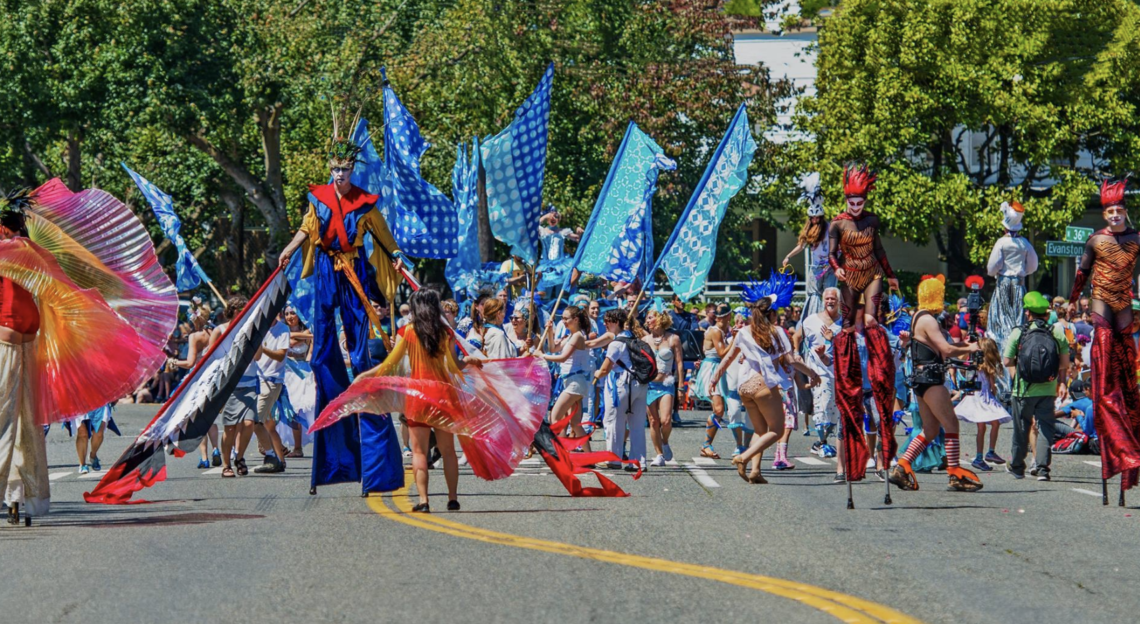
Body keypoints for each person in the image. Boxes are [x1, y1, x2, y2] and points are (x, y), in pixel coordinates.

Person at [277, 120, 407, 492]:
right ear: (330, 170)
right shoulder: (318, 199)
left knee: (360, 347)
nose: (340, 175)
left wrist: (397, 257)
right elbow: (306, 229)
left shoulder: (365, 202)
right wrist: (288, 251)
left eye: (345, 170)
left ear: (352, 170)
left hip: (355, 269)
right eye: (335, 169)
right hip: (326, 267)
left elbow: (385, 238)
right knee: (323, 352)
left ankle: (363, 379)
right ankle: (329, 376)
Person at [827, 165, 899, 482]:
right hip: (849, 275)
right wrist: (837, 269)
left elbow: (880, 249)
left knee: (871, 319)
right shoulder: (837, 224)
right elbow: (831, 255)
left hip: (871, 273)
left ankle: (878, 360)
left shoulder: (872, 221)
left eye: (860, 201)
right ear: (846, 199)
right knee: (847, 325)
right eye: (851, 201)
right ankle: (850, 363)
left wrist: (892, 272)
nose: (856, 206)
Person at [1068, 178, 1140, 490]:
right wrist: (1072, 300)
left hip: (1124, 300)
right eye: (1110, 211)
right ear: (1105, 215)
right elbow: (1083, 273)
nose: (1114, 215)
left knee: (1126, 362)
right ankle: (1107, 386)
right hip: (1101, 299)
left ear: (1125, 213)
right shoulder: (1096, 241)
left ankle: (1124, 399)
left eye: (1119, 210)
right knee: (1106, 344)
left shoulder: (1137, 238)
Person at [708, 295, 819, 484]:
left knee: (760, 431)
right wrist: (813, 374)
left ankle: (755, 472)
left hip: (744, 387)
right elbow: (791, 360)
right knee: (776, 430)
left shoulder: (743, 331)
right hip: (763, 385)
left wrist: (714, 379)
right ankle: (744, 456)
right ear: (773, 314)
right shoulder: (777, 332)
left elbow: (727, 358)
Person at [888, 276, 984, 492]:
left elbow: (943, 349)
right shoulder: (928, 320)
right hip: (931, 380)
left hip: (922, 380)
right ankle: (954, 473)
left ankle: (903, 465)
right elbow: (946, 349)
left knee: (930, 430)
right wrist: (971, 348)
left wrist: (963, 347)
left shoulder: (918, 317)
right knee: (951, 424)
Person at [1003, 291, 1069, 481]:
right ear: (1046, 314)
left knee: (1021, 427)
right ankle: (1042, 469)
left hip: (1023, 389)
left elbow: (1007, 361)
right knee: (1045, 427)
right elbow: (1065, 364)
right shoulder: (1056, 332)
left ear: (1028, 313)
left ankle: (1017, 466)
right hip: (1048, 388)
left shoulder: (1019, 332)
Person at [592, 309, 648, 470]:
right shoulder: (635, 339)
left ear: (616, 322)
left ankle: (613, 458)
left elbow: (604, 369)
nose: (604, 324)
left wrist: (596, 373)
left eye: (607, 321)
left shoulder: (616, 343)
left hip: (622, 384)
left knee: (613, 421)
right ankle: (638, 461)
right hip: (640, 384)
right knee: (636, 425)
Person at [986, 201, 1038, 368]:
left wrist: (1000, 270)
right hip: (1018, 285)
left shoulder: (1001, 242)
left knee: (1000, 324)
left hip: (1003, 286)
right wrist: (1021, 270)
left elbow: (991, 268)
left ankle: (1002, 361)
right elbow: (1033, 266)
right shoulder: (1025, 244)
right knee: (1018, 322)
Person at [171, 309, 222, 468]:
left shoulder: (195, 336)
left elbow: (190, 363)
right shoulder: (216, 332)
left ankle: (204, 458)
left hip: (199, 381)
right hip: (214, 378)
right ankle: (216, 450)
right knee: (210, 418)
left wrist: (174, 362)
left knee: (199, 419)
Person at [953, 337, 1011, 472]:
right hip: (983, 399)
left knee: (983, 427)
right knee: (992, 424)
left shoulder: (974, 364)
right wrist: (994, 389)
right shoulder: (987, 367)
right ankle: (986, 453)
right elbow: (992, 386)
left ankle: (983, 455)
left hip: (977, 398)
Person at [783, 172, 835, 322]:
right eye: (812, 218)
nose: (815, 220)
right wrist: (788, 256)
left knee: (830, 292)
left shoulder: (830, 228)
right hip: (816, 267)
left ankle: (830, 318)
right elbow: (801, 246)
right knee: (814, 294)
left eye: (817, 218)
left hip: (829, 266)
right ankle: (813, 318)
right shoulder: (809, 231)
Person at [540, 305, 594, 449]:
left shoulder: (577, 336)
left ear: (575, 319)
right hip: (573, 381)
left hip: (575, 382)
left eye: (565, 318)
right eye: (562, 318)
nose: (563, 321)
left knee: (555, 417)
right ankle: (588, 457)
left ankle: (561, 453)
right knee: (575, 424)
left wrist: (542, 356)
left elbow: (562, 358)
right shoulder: (571, 335)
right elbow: (554, 349)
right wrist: (550, 331)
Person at [800, 288, 841, 459]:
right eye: (827, 299)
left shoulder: (844, 322)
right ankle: (822, 442)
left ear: (839, 301)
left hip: (839, 372)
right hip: (818, 371)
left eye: (833, 298)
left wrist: (834, 340)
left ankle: (820, 441)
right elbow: (798, 338)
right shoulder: (810, 321)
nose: (830, 301)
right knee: (822, 405)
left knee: (836, 410)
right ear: (823, 301)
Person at [251, 314, 291, 474]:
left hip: (272, 381)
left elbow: (281, 355)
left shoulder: (283, 329)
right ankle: (280, 460)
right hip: (256, 379)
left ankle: (271, 457)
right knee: (268, 425)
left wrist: (262, 348)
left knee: (254, 420)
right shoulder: (257, 328)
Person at [643, 310, 683, 467]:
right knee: (653, 421)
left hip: (666, 384)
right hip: (649, 384)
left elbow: (679, 363)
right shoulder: (645, 340)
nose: (648, 320)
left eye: (651, 317)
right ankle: (659, 454)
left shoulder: (673, 339)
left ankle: (664, 441)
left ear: (659, 319)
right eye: (647, 318)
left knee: (666, 421)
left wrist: (680, 386)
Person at [693, 304, 733, 458]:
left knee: (719, 410)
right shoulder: (716, 331)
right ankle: (706, 445)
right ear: (727, 316)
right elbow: (723, 352)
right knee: (718, 409)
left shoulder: (718, 330)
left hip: (714, 367)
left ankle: (707, 445)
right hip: (712, 368)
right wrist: (736, 340)